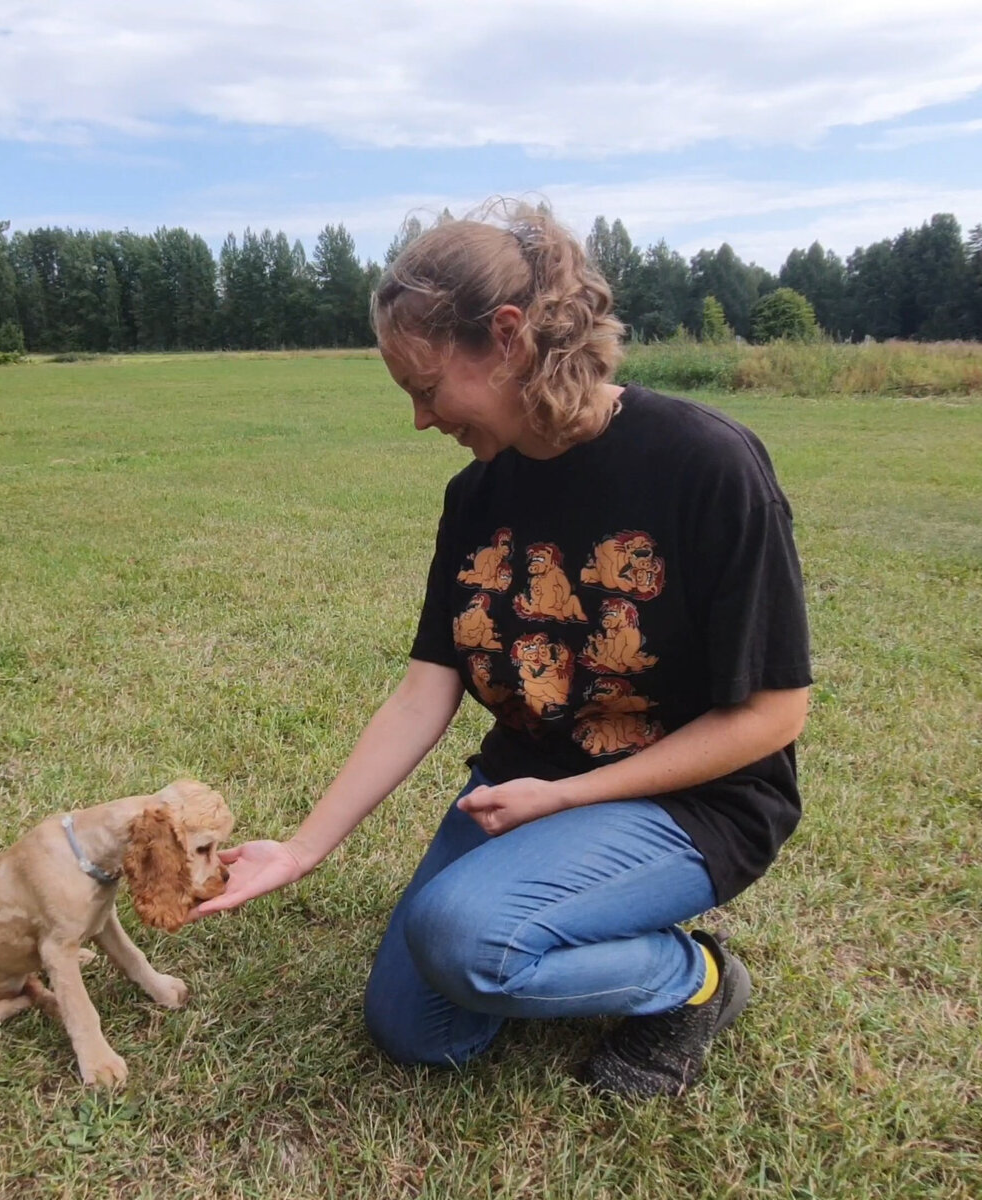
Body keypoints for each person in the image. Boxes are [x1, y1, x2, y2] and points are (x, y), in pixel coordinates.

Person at [189, 203, 812, 1100]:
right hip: (525, 791)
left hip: (692, 801)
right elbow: (422, 694)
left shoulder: (704, 465)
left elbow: (773, 714)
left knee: (465, 937)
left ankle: (693, 980)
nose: (418, 418)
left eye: (426, 386)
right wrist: (301, 849)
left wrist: (567, 796)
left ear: (509, 339)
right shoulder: (475, 496)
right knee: (420, 1029)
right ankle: (543, 917)